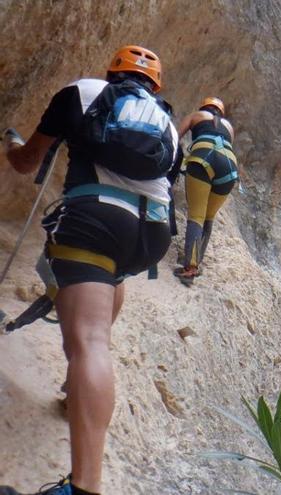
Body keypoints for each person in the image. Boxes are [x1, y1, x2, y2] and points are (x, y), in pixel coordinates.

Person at [0, 45, 177, 495]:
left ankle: (85, 487)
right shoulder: (169, 126)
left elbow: (27, 162)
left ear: (112, 72)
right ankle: (73, 387)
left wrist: (12, 144)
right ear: (154, 86)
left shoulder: (83, 92)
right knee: (105, 289)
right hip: (151, 235)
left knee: (90, 341)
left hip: (95, 219)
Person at [172, 96, 239, 286]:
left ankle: (190, 268)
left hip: (203, 156)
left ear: (204, 107)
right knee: (208, 216)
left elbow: (175, 137)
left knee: (197, 215)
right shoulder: (229, 126)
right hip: (229, 164)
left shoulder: (196, 115)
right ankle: (196, 261)